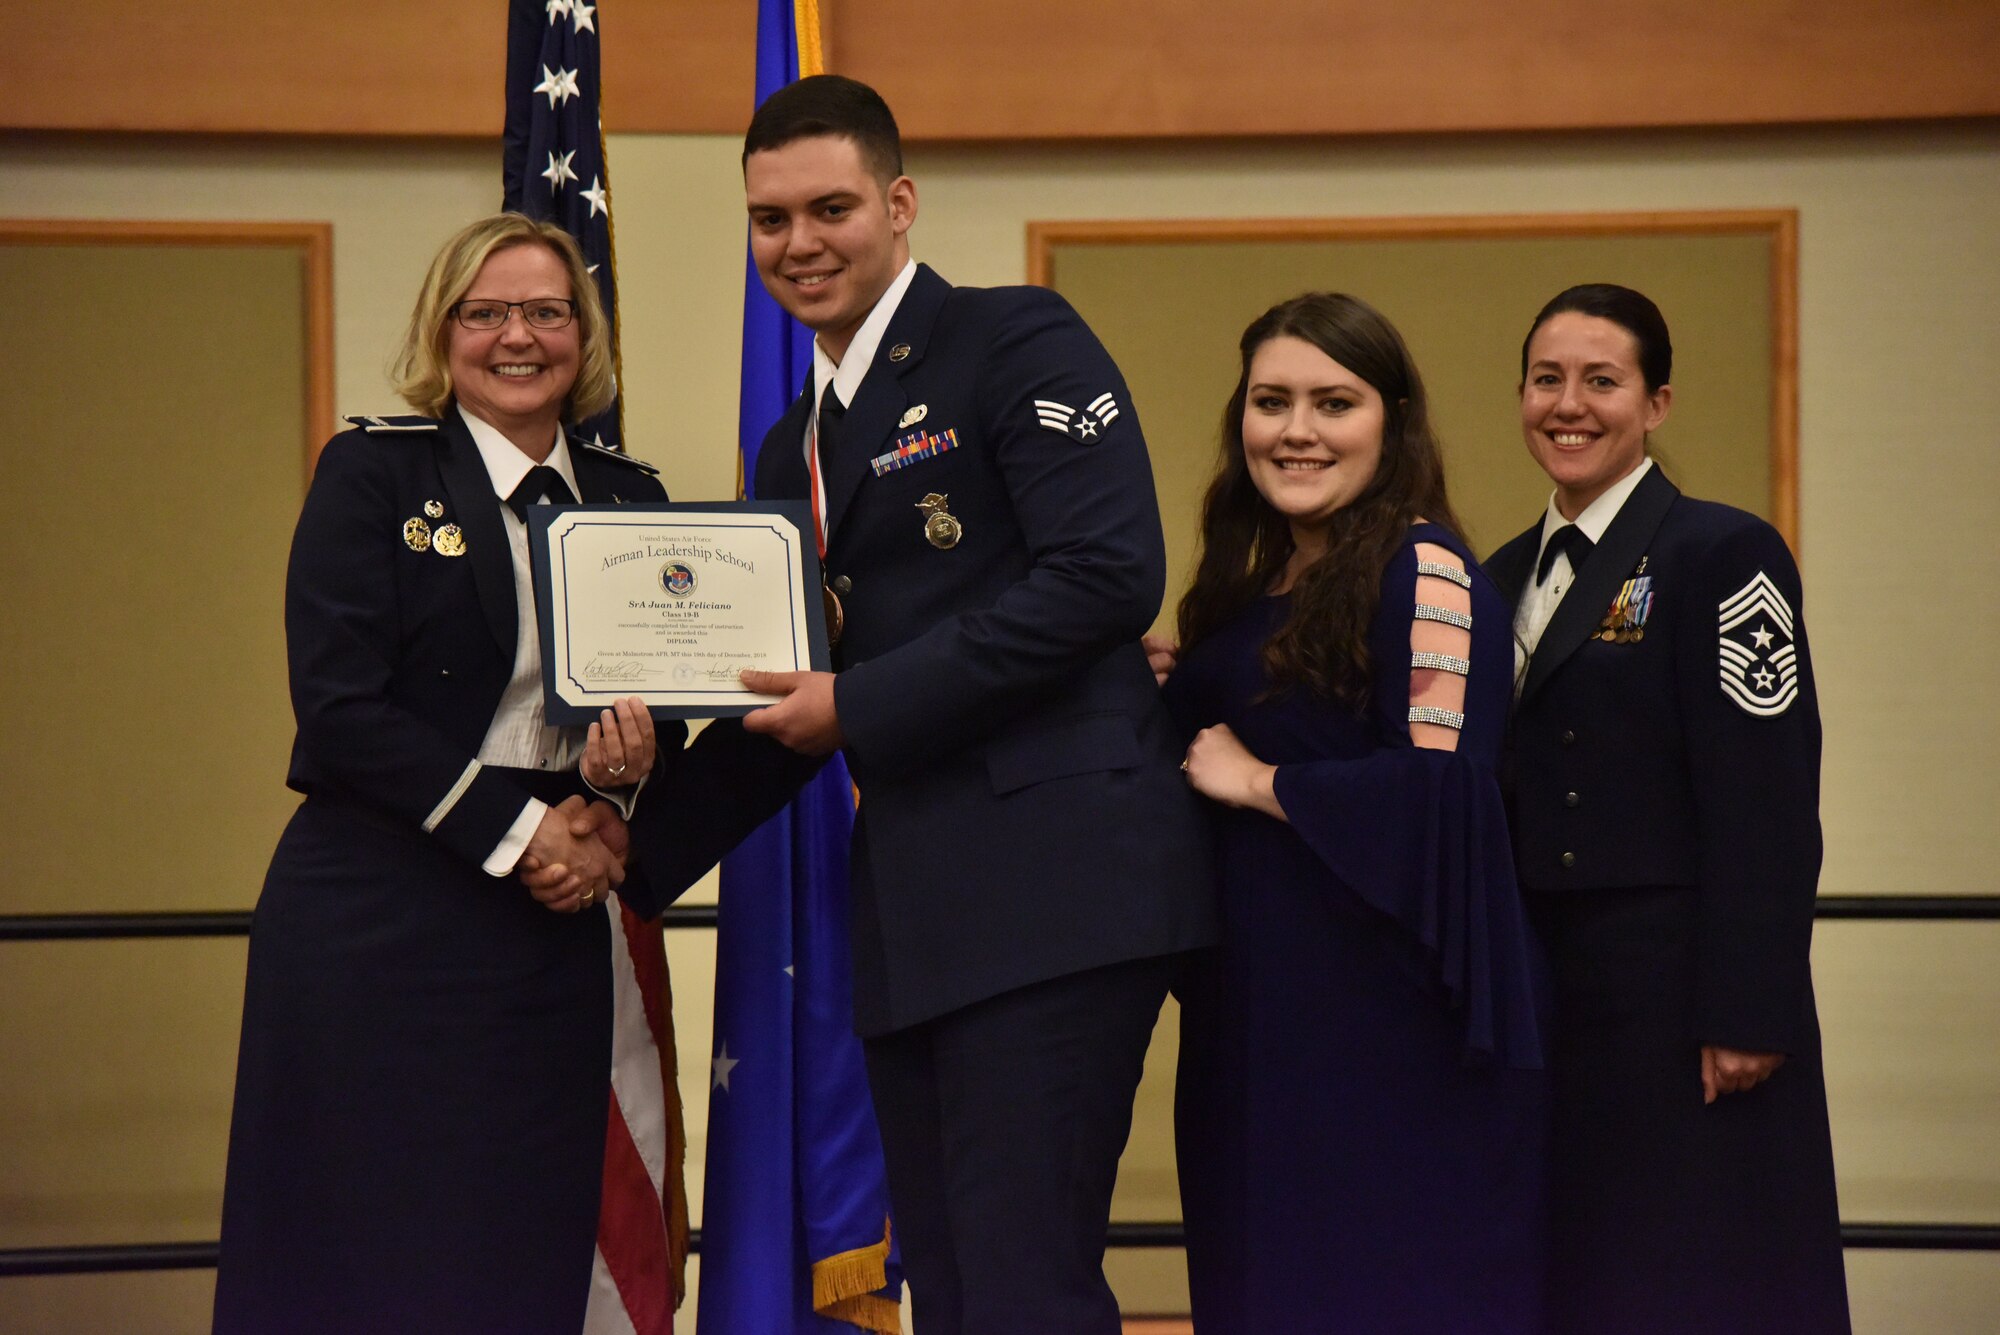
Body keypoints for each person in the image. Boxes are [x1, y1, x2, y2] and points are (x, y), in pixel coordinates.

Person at [212, 212, 783, 1333]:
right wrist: (530, 838)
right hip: (381, 916)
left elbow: (646, 721)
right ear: (444, 331)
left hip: (551, 930)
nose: (516, 336)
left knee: (523, 1241)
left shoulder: (629, 499)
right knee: (371, 1246)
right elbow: (339, 709)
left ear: (584, 332)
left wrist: (617, 789)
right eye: (485, 313)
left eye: (546, 311)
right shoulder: (373, 474)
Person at [725, 75, 1215, 1335]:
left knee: (1020, 1285)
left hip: (1059, 883)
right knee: (946, 1286)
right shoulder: (793, 447)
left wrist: (858, 703)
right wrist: (619, 842)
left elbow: (1107, 576)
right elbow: (803, 695)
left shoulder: (1014, 337)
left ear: (898, 203)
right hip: (919, 903)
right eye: (770, 220)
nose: (800, 244)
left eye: (830, 207)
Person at [1164, 292, 1548, 1333]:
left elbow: (1441, 797)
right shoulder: (1254, 583)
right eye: (1270, 401)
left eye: (1332, 402)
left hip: (1382, 1036)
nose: (1295, 431)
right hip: (1255, 1021)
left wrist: (1262, 783)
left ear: (1392, 419)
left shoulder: (1420, 568)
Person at [1483, 283, 1850, 1333]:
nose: (1569, 404)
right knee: (1579, 1274)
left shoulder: (1719, 554)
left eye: (1601, 381)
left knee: (1696, 1276)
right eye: (1546, 379)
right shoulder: (1495, 574)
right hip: (1547, 993)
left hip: (1681, 997)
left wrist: (1748, 1005)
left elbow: (1766, 797)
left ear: (1655, 404)